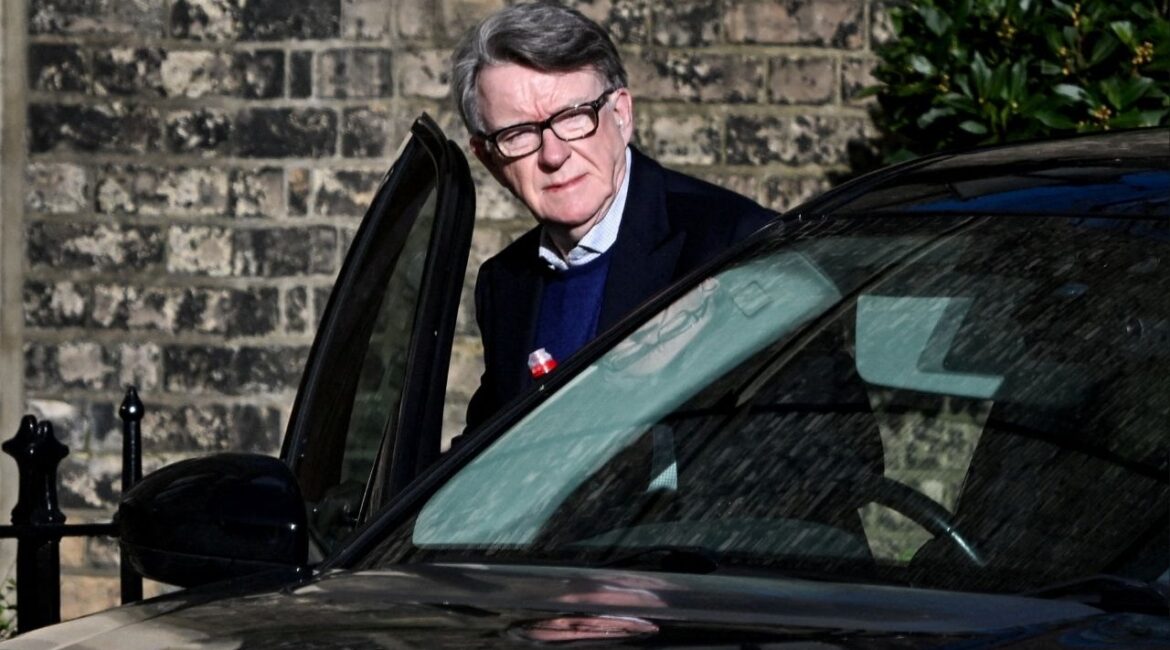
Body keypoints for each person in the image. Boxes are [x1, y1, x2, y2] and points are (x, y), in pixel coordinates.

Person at [452, 2, 775, 430]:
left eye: (572, 118)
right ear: (490, 159)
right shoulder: (504, 284)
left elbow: (839, 454)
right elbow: (485, 462)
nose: (554, 154)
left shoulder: (735, 244)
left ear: (621, 115)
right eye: (519, 134)